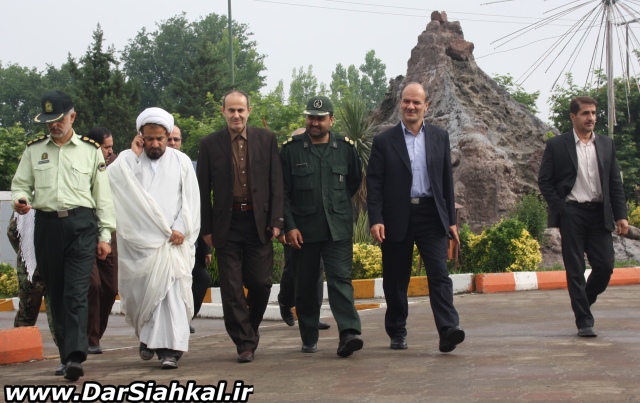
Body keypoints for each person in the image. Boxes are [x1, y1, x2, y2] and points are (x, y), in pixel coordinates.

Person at [11, 90, 115, 381]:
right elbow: (20, 184)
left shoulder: (90, 151)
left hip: (81, 225)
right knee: (56, 293)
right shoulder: (34, 150)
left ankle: (75, 356)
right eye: (48, 121)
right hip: (46, 226)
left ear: (73, 117)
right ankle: (66, 356)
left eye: (58, 119)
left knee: (77, 290)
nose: (53, 125)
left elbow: (102, 196)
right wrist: (20, 199)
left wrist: (105, 235)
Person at [366, 82, 465, 353]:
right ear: (400, 103)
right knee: (396, 278)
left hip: (431, 215)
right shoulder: (384, 141)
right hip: (396, 216)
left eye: (416, 102)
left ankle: (448, 329)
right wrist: (376, 218)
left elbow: (445, 180)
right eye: (406, 101)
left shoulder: (439, 137)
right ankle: (397, 330)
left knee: (439, 274)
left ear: (426, 106)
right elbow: (374, 183)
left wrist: (451, 221)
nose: (411, 106)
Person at [108, 108, 200, 369]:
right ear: (141, 136)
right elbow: (112, 185)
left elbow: (191, 200)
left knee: (173, 297)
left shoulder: (181, 161)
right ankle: (149, 338)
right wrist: (134, 159)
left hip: (173, 243)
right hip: (140, 244)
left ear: (168, 136)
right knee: (145, 296)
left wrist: (182, 227)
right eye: (150, 139)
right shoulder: (127, 160)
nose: (156, 144)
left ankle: (171, 351)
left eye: (160, 138)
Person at [197, 90, 284, 363]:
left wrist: (277, 220)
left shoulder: (266, 139)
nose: (236, 115)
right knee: (232, 288)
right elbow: (202, 190)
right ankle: (244, 343)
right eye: (231, 110)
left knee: (260, 283)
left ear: (249, 111)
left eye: (241, 110)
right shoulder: (209, 144)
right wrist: (206, 228)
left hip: (259, 222)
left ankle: (249, 329)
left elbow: (276, 182)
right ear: (223, 111)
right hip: (226, 224)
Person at [538, 96, 628, 337]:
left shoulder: (607, 144)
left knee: (605, 266)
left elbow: (614, 183)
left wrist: (621, 215)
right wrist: (561, 208)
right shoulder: (557, 145)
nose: (591, 118)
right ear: (573, 117)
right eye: (586, 113)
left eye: (594, 113)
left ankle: (583, 302)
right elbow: (544, 181)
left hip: (599, 213)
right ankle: (584, 322)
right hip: (572, 213)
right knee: (575, 268)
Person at [280, 95, 363, 357]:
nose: (314, 123)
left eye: (320, 118)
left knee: (340, 280)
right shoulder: (290, 150)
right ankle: (308, 336)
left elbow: (353, 181)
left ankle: (349, 333)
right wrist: (289, 226)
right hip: (303, 230)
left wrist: (335, 206)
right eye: (310, 118)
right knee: (305, 285)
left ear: (331, 119)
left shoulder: (345, 148)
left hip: (337, 227)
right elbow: (283, 193)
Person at [278, 127, 330, 330]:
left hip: (316, 226)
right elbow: (281, 196)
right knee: (293, 270)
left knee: (318, 269)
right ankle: (285, 301)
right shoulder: (287, 159)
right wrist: (283, 229)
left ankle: (313, 315)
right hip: (293, 226)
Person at [166, 125, 212, 333]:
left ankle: (185, 319)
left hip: (189, 241)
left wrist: (206, 248)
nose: (172, 143)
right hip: (163, 240)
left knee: (201, 279)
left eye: (176, 139)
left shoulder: (191, 167)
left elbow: (198, 208)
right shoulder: (149, 167)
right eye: (169, 139)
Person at [83, 127, 119, 355]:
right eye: (106, 147)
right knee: (93, 285)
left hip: (109, 231)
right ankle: (90, 338)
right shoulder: (82, 162)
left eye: (111, 147)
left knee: (110, 287)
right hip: (86, 232)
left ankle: (96, 334)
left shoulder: (117, 164)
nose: (110, 152)